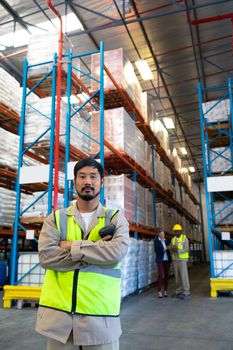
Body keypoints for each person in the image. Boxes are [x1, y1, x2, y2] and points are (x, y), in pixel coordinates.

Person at [36, 158, 129, 350]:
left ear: (101, 182)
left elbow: (116, 252)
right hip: (60, 321)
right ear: (75, 181)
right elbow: (47, 257)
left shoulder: (115, 217)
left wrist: (71, 245)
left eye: (93, 176)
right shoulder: (56, 218)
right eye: (82, 176)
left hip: (101, 320)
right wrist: (96, 251)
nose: (88, 181)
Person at [168, 224, 190, 300]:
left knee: (184, 276)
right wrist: (171, 249)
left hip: (182, 260)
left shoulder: (184, 239)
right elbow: (171, 247)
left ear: (180, 231)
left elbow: (187, 249)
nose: (176, 232)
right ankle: (178, 291)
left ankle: (186, 291)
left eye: (177, 231)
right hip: (175, 260)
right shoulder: (173, 239)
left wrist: (178, 250)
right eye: (175, 231)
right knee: (177, 277)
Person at [154, 230, 171, 298]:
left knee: (166, 275)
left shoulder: (167, 241)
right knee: (161, 275)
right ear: (158, 234)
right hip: (160, 260)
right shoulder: (156, 241)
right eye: (161, 234)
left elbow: (170, 249)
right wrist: (166, 248)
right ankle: (159, 291)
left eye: (163, 234)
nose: (162, 235)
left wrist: (169, 248)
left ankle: (165, 291)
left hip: (166, 260)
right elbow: (157, 251)